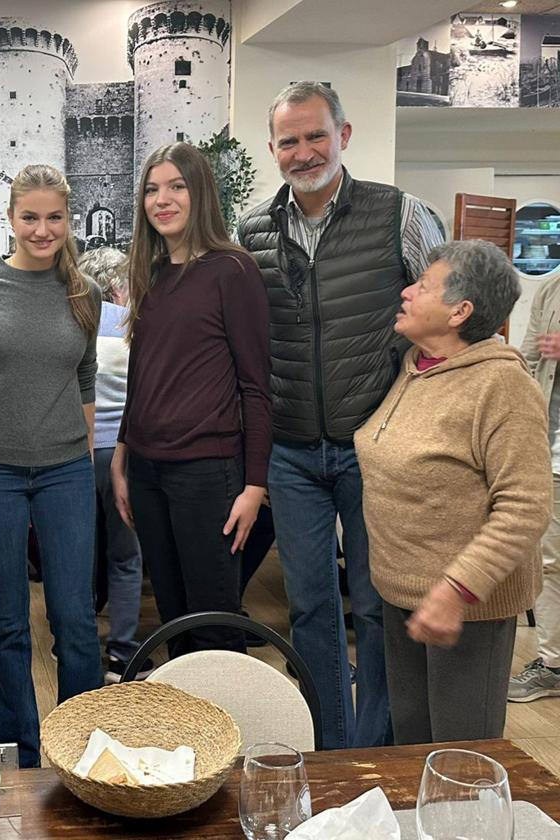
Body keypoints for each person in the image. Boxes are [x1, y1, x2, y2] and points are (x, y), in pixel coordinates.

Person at [236, 81, 443, 749]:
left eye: (315, 135)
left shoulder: (399, 214)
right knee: (311, 611)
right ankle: (329, 745)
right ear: (272, 150)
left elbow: (448, 313)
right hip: (292, 452)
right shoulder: (253, 231)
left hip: (373, 446)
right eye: (289, 141)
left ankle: (372, 749)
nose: (303, 152)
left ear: (344, 136)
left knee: (378, 608)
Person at [0, 164, 102, 769]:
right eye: (29, 217)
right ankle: (20, 755)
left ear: (68, 219)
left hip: (65, 470)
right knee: (7, 624)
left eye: (53, 217)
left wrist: (83, 451)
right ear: (9, 219)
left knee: (76, 620)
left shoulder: (82, 290)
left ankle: (85, 751)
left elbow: (83, 373)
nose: (42, 229)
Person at [355, 240, 550, 743]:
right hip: (403, 598)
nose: (406, 291)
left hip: (466, 610)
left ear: (460, 311)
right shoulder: (413, 368)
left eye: (422, 287)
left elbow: (525, 507)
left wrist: (456, 589)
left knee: (462, 760)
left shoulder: (501, 386)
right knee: (415, 748)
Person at [112, 143, 271, 659]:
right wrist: (121, 452)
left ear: (199, 192)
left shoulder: (232, 270)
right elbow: (144, 372)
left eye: (176, 186)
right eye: (153, 189)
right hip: (147, 470)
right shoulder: (152, 274)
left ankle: (232, 738)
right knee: (173, 620)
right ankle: (189, 736)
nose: (163, 199)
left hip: (208, 471)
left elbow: (256, 384)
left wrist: (253, 486)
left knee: (215, 622)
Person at [78, 246, 148, 682]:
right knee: (126, 557)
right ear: (120, 286)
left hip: (77, 454)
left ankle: (75, 642)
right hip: (124, 456)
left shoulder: (76, 329)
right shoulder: (136, 330)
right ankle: (123, 652)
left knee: (79, 556)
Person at [509, 266, 560, 702]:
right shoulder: (551, 287)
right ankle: (553, 663)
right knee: (549, 563)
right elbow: (525, 359)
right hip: (552, 453)